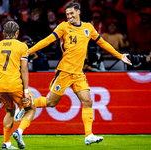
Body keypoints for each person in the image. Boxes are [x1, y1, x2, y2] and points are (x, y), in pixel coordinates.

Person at [15, 2, 132, 145]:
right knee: (51, 102)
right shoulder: (64, 27)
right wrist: (29, 51)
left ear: (78, 12)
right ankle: (25, 104)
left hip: (78, 73)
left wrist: (120, 56)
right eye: (67, 14)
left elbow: (103, 43)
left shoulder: (88, 28)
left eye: (71, 13)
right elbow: (47, 40)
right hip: (64, 71)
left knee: (88, 101)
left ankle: (88, 135)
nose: (69, 16)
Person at [0, 21, 36, 149]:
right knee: (31, 109)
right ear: (17, 33)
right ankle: (19, 131)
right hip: (15, 84)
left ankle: (6, 143)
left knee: (9, 111)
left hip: (1, 86)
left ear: (3, 33)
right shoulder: (22, 47)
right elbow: (24, 70)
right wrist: (25, 90)